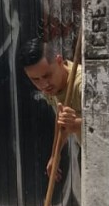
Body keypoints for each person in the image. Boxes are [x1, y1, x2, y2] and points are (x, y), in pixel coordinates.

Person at [19, 38, 82, 180]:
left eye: (47, 75)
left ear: (59, 60)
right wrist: (55, 155)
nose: (43, 84)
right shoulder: (52, 87)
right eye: (35, 79)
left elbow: (108, 126)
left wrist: (75, 124)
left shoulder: (82, 85)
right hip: (86, 151)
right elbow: (62, 121)